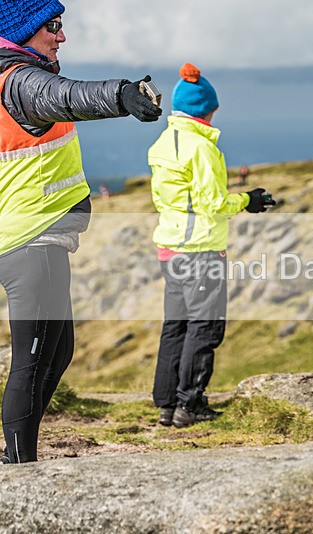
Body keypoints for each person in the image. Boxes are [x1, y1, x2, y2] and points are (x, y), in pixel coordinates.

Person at [0, 0, 162, 463]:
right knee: (33, 363)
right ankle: (17, 465)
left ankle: (15, 453)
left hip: (30, 236)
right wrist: (123, 95)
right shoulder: (19, 81)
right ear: (20, 32)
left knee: (57, 352)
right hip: (32, 240)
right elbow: (65, 97)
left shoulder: (15, 76)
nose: (61, 36)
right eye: (52, 26)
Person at [149, 63, 271, 428]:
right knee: (205, 326)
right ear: (208, 109)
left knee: (176, 326)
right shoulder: (202, 149)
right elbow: (213, 204)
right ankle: (191, 403)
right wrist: (247, 199)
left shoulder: (162, 144)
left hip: (169, 249)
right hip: (201, 249)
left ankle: (166, 404)